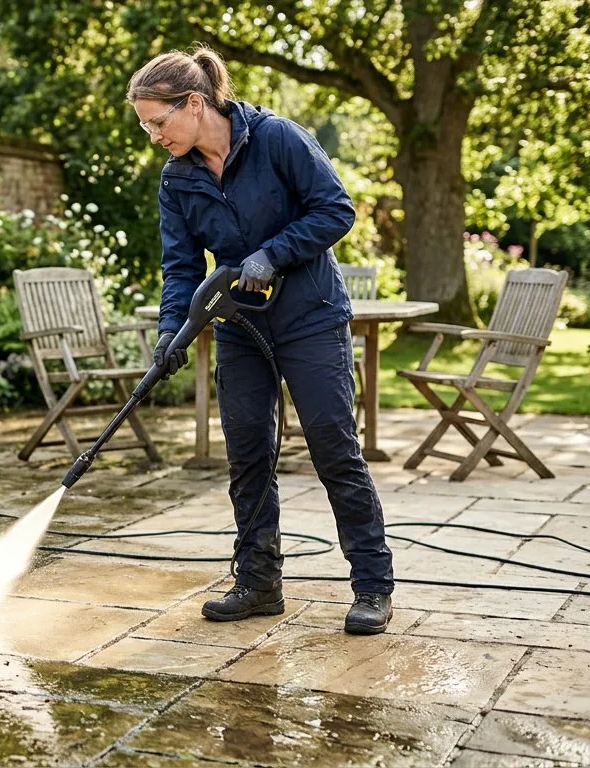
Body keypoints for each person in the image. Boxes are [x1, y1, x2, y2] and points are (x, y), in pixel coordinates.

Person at [127, 45, 395, 635]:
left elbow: (335, 209)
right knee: (247, 452)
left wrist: (273, 253)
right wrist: (171, 329)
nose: (154, 136)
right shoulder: (177, 179)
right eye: (145, 126)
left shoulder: (277, 138)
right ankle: (258, 581)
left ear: (193, 103)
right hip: (240, 326)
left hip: (310, 317)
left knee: (332, 446)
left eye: (157, 122)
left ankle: (373, 585)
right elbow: (180, 267)